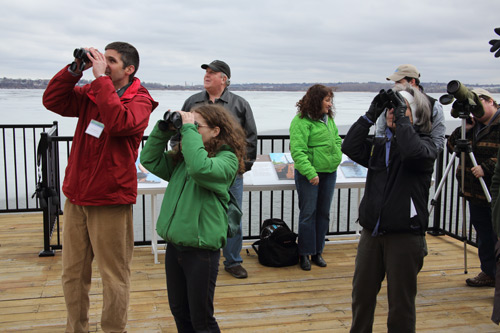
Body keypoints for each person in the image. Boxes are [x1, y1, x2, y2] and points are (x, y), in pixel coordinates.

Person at [42, 42, 158, 332]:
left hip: (109, 199)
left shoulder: (140, 100)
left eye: (111, 61)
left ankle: (114, 330)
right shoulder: (92, 92)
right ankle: (75, 328)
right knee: (72, 274)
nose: (103, 65)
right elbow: (53, 100)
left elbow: (119, 122)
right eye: (101, 59)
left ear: (129, 69)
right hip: (78, 197)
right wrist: (74, 70)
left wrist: (101, 80)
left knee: (113, 276)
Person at [140, 104, 247, 332]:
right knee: (179, 311)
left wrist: (187, 130)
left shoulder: (226, 159)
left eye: (197, 126)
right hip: (175, 246)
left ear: (216, 131)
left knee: (202, 319)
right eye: (190, 124)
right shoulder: (183, 158)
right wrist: (165, 129)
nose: (191, 129)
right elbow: (149, 160)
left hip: (201, 250)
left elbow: (201, 169)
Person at [342, 85, 437, 332]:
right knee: (361, 296)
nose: (393, 113)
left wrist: (404, 118)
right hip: (371, 233)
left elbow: (411, 153)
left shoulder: (426, 147)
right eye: (391, 109)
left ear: (415, 113)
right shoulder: (380, 145)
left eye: (400, 109)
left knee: (400, 305)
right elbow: (350, 147)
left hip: (405, 237)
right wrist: (370, 114)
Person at [178, 60, 257, 279]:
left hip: (229, 171)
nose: (207, 75)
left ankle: (232, 261)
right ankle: (197, 255)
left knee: (232, 215)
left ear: (224, 79)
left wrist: (242, 167)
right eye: (206, 72)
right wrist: (182, 158)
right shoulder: (192, 102)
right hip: (198, 168)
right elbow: (179, 133)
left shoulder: (240, 104)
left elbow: (250, 137)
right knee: (196, 212)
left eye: (212, 73)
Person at [447, 88, 500, 287]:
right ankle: (489, 272)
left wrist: (486, 168)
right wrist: (464, 129)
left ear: (490, 101)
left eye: (480, 103)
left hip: (494, 190)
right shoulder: (471, 125)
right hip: (474, 190)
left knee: (496, 234)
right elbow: (451, 147)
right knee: (484, 234)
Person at [289, 84, 342, 271]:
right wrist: (310, 173)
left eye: (330, 100)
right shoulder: (301, 121)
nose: (329, 104)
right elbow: (297, 150)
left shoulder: (328, 119)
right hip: (309, 174)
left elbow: (336, 139)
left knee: (323, 214)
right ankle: (304, 253)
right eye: (327, 100)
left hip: (329, 172)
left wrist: (336, 156)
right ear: (316, 100)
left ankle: (318, 251)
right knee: (308, 214)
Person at [378, 64, 446, 152]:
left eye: (398, 82)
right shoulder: (390, 103)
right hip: (393, 158)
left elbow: (438, 141)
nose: (395, 86)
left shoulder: (433, 105)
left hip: (421, 160)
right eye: (394, 83)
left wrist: (425, 156)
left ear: (412, 82)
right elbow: (380, 132)